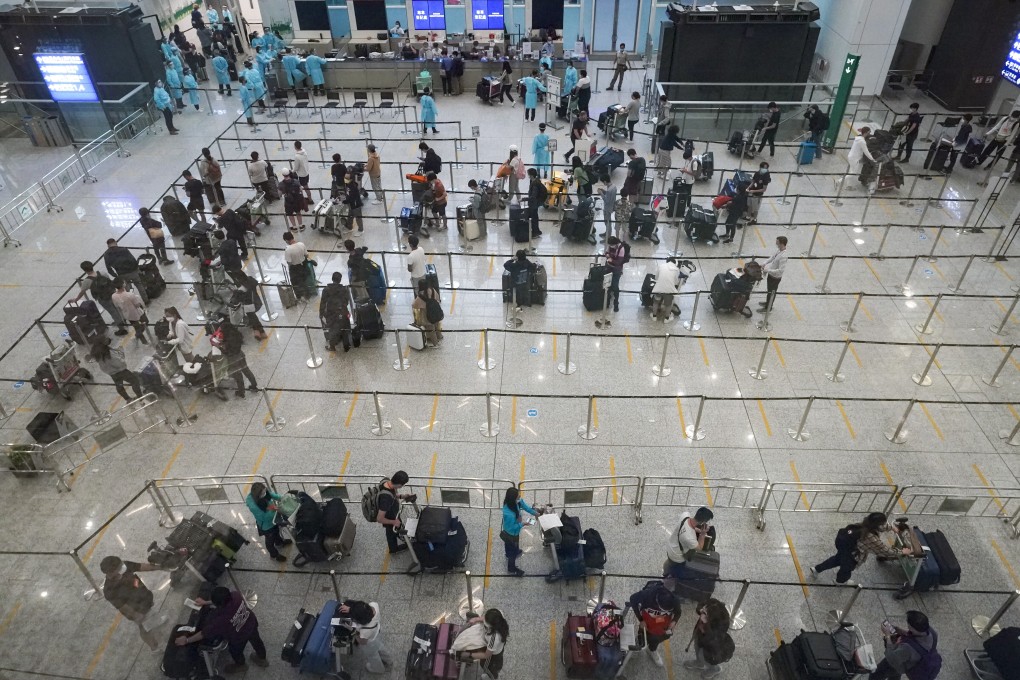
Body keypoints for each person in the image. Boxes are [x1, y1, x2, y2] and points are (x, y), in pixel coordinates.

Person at [174, 586, 269, 673]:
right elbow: (225, 599)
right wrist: (205, 602)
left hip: (238, 637)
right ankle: (262, 659)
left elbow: (203, 633)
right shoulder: (236, 595)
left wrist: (187, 640)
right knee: (257, 642)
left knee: (236, 652)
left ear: (219, 605)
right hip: (251, 623)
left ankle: (241, 665)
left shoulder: (221, 620)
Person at [810, 512, 911, 586]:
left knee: (835, 560)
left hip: (845, 549)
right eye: (884, 523)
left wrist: (891, 528)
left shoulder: (865, 523)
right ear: (878, 525)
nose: (885, 525)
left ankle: (817, 569)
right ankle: (840, 582)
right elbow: (884, 550)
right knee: (846, 569)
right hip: (852, 556)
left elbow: (880, 527)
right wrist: (902, 551)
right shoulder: (870, 537)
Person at [99, 555, 170, 650]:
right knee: (147, 628)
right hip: (137, 610)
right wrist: (136, 615)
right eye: (120, 567)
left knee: (150, 619)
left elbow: (141, 567)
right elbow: (122, 606)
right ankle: (157, 647)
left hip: (145, 599)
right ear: (111, 572)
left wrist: (161, 567)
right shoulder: (110, 591)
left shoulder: (124, 566)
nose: (123, 566)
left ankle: (156, 621)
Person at [870, 611, 941, 680]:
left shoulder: (908, 648)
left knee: (876, 674)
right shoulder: (932, 633)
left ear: (913, 629)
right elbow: (916, 637)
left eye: (909, 626)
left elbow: (891, 657)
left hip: (896, 664)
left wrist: (887, 635)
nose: (907, 626)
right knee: (895, 675)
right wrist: (900, 630)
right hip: (907, 662)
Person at [626, 580, 682, 667]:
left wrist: (674, 621)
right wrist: (641, 620)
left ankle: (652, 649)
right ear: (657, 600)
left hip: (662, 621)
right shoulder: (647, 594)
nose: (663, 611)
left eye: (667, 610)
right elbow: (632, 599)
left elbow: (678, 612)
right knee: (643, 633)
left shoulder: (676, 600)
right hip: (647, 618)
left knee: (660, 636)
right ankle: (640, 643)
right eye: (662, 609)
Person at [72, 260, 128, 335]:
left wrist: (76, 299)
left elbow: (82, 292)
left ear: (84, 270)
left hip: (103, 299)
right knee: (117, 308)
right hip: (113, 294)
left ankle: (122, 329)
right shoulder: (102, 273)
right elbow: (110, 282)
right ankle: (123, 320)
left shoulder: (87, 281)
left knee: (113, 312)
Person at [453, 609, 510, 678]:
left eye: (485, 626)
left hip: (492, 657)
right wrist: (476, 619)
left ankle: (492, 677)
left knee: (488, 668)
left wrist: (469, 655)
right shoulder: (498, 616)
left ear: (492, 627)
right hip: (491, 646)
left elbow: (486, 655)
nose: (483, 623)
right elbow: (485, 618)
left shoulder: (494, 638)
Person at [684, 599, 732, 679]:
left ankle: (714, 669)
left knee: (703, 656)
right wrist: (701, 610)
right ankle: (699, 663)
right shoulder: (712, 604)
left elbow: (713, 639)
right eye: (704, 609)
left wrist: (705, 627)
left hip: (710, 647)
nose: (702, 613)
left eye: (705, 613)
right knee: (697, 647)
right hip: (700, 636)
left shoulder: (721, 624)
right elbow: (701, 604)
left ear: (712, 618)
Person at [340, 600, 393, 674]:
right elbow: (363, 609)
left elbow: (362, 642)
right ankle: (388, 660)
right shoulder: (374, 606)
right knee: (380, 647)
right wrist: (352, 609)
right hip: (377, 633)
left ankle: (378, 669)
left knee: (373, 656)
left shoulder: (365, 631)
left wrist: (352, 630)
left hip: (370, 643)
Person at [663, 506, 714, 581]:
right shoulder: (689, 538)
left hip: (671, 546)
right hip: (677, 556)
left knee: (670, 562)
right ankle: (670, 578)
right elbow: (699, 548)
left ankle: (666, 570)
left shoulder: (685, 515)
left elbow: (689, 526)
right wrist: (703, 534)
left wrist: (698, 530)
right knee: (677, 572)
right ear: (702, 522)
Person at [245, 482, 291, 562]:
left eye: (265, 491)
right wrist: (275, 510)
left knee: (276, 532)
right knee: (270, 541)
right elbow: (263, 517)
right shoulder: (253, 506)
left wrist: (283, 498)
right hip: (266, 526)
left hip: (273, 520)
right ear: (257, 495)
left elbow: (272, 495)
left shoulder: (263, 492)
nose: (265, 494)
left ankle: (279, 543)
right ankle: (274, 555)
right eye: (263, 493)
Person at [500, 485, 538, 576]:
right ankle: (511, 568)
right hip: (511, 534)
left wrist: (536, 513)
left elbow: (526, 507)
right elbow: (512, 528)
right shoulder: (509, 514)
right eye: (518, 497)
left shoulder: (515, 502)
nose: (520, 498)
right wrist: (523, 524)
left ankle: (512, 552)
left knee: (511, 546)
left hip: (514, 533)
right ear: (513, 499)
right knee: (512, 552)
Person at [375, 472, 412, 554]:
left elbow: (393, 494)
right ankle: (394, 549)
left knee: (393, 529)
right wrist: (393, 522)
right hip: (389, 517)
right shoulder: (386, 499)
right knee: (392, 530)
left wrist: (402, 496)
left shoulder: (387, 481)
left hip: (392, 513)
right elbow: (379, 519)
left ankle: (398, 540)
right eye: (403, 485)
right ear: (399, 484)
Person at [103, 239, 148, 304]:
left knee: (128, 290)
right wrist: (137, 269)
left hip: (121, 274)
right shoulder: (124, 249)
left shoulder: (106, 254)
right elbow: (132, 259)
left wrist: (116, 275)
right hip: (132, 271)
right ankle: (146, 300)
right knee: (139, 285)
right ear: (115, 242)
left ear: (108, 245)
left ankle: (134, 303)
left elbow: (109, 268)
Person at [320, 272, 352, 352]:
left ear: (332, 279)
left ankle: (332, 347)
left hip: (331, 313)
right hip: (343, 311)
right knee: (344, 328)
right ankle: (346, 346)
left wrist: (321, 314)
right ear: (340, 280)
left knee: (332, 329)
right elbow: (346, 301)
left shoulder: (326, 290)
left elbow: (323, 303)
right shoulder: (344, 289)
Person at [111, 277, 148, 344]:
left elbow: (117, 306)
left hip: (127, 315)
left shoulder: (113, 296)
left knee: (136, 327)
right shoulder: (130, 295)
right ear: (123, 284)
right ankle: (139, 333)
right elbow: (137, 305)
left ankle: (143, 341)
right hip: (137, 313)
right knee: (146, 321)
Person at [757, 236, 788, 313]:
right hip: (771, 274)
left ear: (782, 244)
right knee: (769, 291)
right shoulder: (779, 250)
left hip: (775, 278)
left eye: (777, 243)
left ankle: (768, 307)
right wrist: (764, 263)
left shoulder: (784, 256)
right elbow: (772, 258)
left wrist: (767, 270)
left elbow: (780, 271)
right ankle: (768, 303)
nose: (776, 244)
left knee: (772, 292)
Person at [411, 280, 443, 347]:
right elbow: (438, 298)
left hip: (427, 314)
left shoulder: (421, 295)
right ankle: (439, 336)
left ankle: (436, 344)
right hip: (435, 311)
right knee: (436, 324)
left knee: (431, 329)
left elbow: (414, 305)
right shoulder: (432, 290)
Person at [283, 231, 313, 299]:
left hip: (294, 268)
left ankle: (299, 296)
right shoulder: (301, 244)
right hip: (303, 266)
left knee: (295, 283)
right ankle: (308, 294)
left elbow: (289, 262)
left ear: (286, 240)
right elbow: (306, 255)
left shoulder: (288, 250)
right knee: (304, 280)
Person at [651, 257, 682, 322]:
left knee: (656, 302)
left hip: (658, 288)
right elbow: (676, 282)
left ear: (667, 261)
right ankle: (666, 319)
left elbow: (656, 278)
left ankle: (654, 316)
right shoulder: (676, 269)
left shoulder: (661, 266)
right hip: (669, 290)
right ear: (675, 263)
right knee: (668, 305)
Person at [605, 236, 628, 312]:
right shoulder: (610, 246)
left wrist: (611, 260)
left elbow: (619, 262)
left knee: (615, 285)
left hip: (617, 269)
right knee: (607, 284)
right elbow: (606, 252)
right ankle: (607, 301)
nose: (611, 246)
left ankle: (616, 302)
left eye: (612, 245)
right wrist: (607, 255)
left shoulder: (621, 248)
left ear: (615, 243)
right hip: (609, 267)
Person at [526, 168, 547, 236]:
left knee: (534, 217)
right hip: (535, 202)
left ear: (531, 175)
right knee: (534, 216)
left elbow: (533, 196)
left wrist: (524, 199)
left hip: (534, 203)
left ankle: (535, 232)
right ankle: (536, 231)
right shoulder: (535, 181)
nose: (528, 176)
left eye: (529, 174)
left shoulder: (535, 184)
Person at [599, 175, 618, 240]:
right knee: (608, 221)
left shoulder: (609, 190)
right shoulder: (613, 186)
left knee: (607, 222)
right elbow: (609, 195)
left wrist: (601, 193)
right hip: (611, 206)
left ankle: (608, 236)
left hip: (607, 208)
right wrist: (604, 191)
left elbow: (606, 200)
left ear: (605, 181)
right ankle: (607, 233)